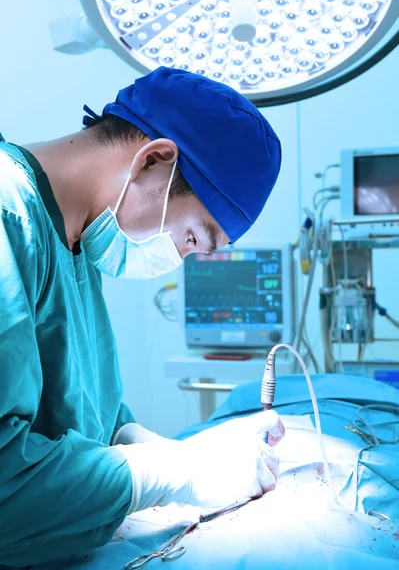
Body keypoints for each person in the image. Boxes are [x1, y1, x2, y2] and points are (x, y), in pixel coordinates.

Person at [0, 67, 283, 567]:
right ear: (154, 159)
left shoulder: (77, 244)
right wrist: (174, 475)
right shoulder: (8, 219)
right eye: (195, 237)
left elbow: (84, 415)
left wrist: (159, 446)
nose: (181, 257)